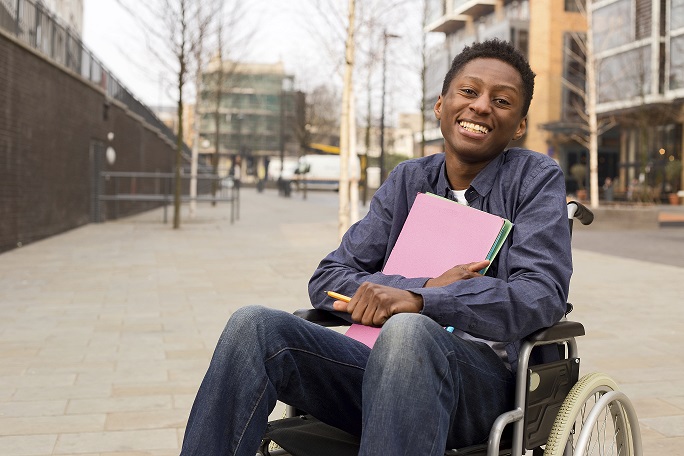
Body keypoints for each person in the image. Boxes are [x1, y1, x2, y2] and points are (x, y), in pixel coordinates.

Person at [179, 39, 572, 456]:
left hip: (480, 385)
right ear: (441, 105)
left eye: (502, 100)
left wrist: (423, 303)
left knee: (408, 331)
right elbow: (329, 277)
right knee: (252, 325)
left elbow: (540, 294)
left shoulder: (534, 178)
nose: (480, 106)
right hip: (373, 367)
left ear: (520, 125)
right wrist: (418, 288)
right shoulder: (407, 180)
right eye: (469, 92)